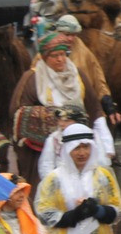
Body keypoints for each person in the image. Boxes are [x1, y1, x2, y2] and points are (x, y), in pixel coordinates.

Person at [35, 124, 121, 234]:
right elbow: (45, 213)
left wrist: (97, 210)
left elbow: (117, 210)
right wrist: (73, 216)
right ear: (67, 149)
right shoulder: (54, 179)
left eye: (85, 147)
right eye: (77, 148)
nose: (82, 152)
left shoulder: (103, 177)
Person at [10, 32, 105, 189]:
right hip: (42, 149)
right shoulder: (32, 78)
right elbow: (17, 113)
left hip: (78, 148)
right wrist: (54, 119)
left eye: (62, 54)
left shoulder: (78, 76)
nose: (60, 59)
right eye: (54, 55)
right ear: (45, 57)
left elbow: (93, 107)